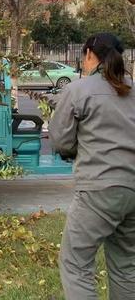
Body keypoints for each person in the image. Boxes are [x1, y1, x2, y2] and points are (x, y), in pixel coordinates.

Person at [49, 32, 135, 300]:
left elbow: (61, 142)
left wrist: (79, 148)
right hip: (132, 191)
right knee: (126, 267)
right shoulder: (132, 89)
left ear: (88, 54)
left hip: (98, 189)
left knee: (75, 264)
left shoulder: (78, 90)